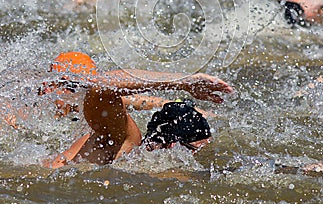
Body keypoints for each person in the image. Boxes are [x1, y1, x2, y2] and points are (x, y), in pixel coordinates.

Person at [0, 51, 233, 167]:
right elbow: (105, 86)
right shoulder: (120, 141)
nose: (78, 94)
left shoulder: (120, 145)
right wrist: (182, 81)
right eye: (72, 87)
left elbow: (137, 99)